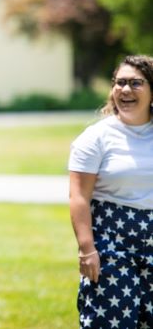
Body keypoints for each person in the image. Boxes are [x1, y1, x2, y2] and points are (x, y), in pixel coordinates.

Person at [68, 55, 153, 328]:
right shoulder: (96, 138)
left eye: (136, 83)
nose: (125, 90)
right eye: (120, 83)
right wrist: (86, 249)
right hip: (111, 243)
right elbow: (79, 197)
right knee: (109, 321)